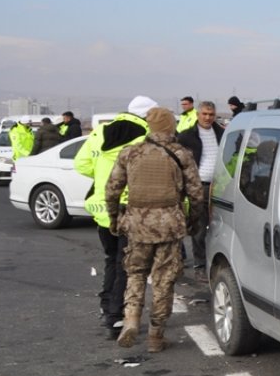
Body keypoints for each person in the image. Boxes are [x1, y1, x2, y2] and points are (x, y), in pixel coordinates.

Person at [106, 107, 204, 352]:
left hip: (138, 224)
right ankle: (155, 336)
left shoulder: (130, 153)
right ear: (172, 126)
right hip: (170, 225)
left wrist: (114, 219)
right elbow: (196, 193)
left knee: (135, 274)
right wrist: (192, 220)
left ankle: (130, 319)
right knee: (163, 280)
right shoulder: (181, 154)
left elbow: (112, 189)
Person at [74, 95, 156, 339]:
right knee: (126, 265)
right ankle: (115, 317)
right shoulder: (144, 137)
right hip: (129, 207)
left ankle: (106, 305)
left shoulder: (100, 132)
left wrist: (102, 178)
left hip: (102, 208)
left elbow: (81, 164)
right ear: (147, 115)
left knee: (111, 259)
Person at [177, 100, 224, 279]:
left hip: (219, 188)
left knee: (218, 228)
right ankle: (200, 265)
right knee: (199, 229)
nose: (207, 117)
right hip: (197, 187)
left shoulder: (222, 133)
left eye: (211, 114)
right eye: (204, 114)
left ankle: (216, 262)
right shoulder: (186, 136)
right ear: (198, 115)